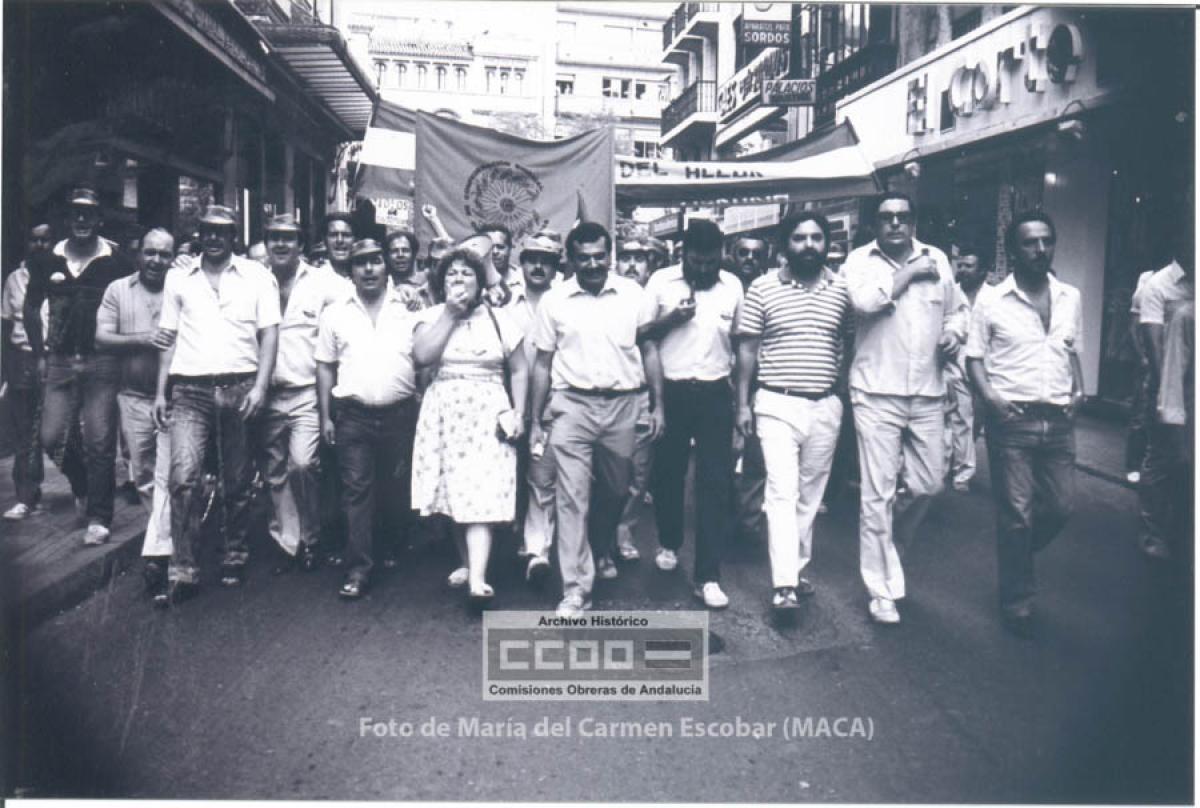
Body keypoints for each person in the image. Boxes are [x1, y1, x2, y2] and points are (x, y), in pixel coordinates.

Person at [843, 192, 967, 625]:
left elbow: (958, 311)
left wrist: (953, 333)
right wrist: (910, 273)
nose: (895, 223)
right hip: (875, 391)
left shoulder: (939, 259)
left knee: (929, 485)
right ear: (874, 224)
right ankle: (880, 590)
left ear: (914, 222)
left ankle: (887, 550)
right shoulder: (859, 261)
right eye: (886, 217)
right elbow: (864, 304)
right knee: (876, 494)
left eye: (903, 216)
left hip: (928, 391)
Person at [528, 222, 664, 618]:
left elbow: (650, 351)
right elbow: (542, 363)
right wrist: (535, 419)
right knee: (572, 498)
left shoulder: (634, 295)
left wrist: (658, 406)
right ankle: (576, 590)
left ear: (610, 256)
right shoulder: (554, 300)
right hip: (572, 405)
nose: (592, 265)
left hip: (624, 406)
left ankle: (599, 547)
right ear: (570, 260)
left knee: (617, 490)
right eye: (583, 258)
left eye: (599, 257)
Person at [153, 204, 280, 603]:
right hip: (189, 390)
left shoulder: (257, 276)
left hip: (239, 386)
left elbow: (270, 334)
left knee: (237, 479)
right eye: (207, 230)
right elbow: (168, 338)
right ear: (200, 233)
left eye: (221, 231)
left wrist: (260, 387)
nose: (213, 237)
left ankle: (234, 553)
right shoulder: (178, 277)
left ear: (232, 237)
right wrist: (160, 391)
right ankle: (183, 568)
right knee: (183, 475)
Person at [967, 211, 1084, 637]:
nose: (1040, 249)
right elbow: (974, 359)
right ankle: (1017, 599)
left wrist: (1079, 391)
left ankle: (1015, 555)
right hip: (1012, 422)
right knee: (1017, 515)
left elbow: (1071, 349)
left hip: (1058, 420)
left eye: (1046, 241)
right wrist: (992, 400)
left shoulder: (1070, 296)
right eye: (1030, 243)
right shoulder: (991, 300)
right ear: (1013, 251)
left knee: (1061, 507)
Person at [734, 213, 852, 610]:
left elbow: (849, 340)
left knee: (809, 496)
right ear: (786, 244)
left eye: (817, 237)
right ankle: (784, 584)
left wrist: (840, 389)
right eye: (800, 238)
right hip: (776, 402)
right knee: (782, 492)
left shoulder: (842, 290)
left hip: (824, 405)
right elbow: (747, 349)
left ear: (827, 244)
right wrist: (742, 404)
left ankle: (796, 569)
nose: (809, 245)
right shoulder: (764, 288)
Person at [411, 249, 529, 605]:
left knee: (481, 492)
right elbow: (422, 357)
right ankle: (467, 563)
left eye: (467, 273)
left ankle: (477, 579)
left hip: (487, 413)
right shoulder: (430, 317)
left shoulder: (500, 319)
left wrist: (519, 412)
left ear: (480, 282)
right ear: (440, 282)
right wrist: (450, 313)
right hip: (445, 414)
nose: (459, 278)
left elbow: (519, 369)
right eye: (451, 273)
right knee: (455, 490)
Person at [640, 220, 743, 609]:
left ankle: (708, 576)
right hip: (671, 389)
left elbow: (741, 343)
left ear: (721, 255)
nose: (703, 269)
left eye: (710, 262)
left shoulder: (732, 286)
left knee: (714, 483)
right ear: (683, 255)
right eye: (696, 262)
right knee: (668, 475)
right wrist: (671, 319)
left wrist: (742, 403)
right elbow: (641, 334)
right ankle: (669, 540)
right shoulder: (661, 282)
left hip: (716, 392)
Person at [25, 186, 133, 545]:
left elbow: (135, 296)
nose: (82, 219)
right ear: (68, 218)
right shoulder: (48, 259)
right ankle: (83, 484)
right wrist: (39, 354)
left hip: (102, 361)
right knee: (50, 436)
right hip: (59, 360)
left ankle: (99, 517)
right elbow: (31, 307)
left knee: (99, 440)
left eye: (89, 213)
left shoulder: (117, 260)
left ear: (99, 219)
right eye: (76, 213)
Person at [316, 239, 420, 599]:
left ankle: (390, 547)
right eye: (361, 263)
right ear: (351, 271)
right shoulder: (334, 314)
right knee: (356, 491)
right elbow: (325, 367)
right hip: (353, 416)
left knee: (394, 489)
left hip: (401, 413)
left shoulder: (409, 307)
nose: (370, 269)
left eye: (376, 260)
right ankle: (358, 569)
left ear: (386, 266)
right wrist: (326, 416)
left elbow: (425, 357)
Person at [259, 213, 347, 574]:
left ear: (301, 245)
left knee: (303, 464)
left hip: (306, 392)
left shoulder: (323, 282)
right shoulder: (253, 279)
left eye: (289, 238)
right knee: (273, 471)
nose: (281, 244)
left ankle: (311, 535)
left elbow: (356, 304)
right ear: (266, 243)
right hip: (265, 393)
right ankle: (288, 540)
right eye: (275, 237)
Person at [95, 227, 174, 596]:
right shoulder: (117, 290)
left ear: (173, 258)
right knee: (143, 474)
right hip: (132, 397)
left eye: (164, 254)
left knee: (171, 475)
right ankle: (165, 539)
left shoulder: (182, 288)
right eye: (150, 252)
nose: (156, 260)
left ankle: (162, 552)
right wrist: (143, 338)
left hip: (175, 398)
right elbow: (101, 338)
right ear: (139, 253)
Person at [1136, 228, 1194, 562]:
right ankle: (1153, 532)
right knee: (1162, 458)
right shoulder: (1158, 286)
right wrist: (1166, 392)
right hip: (1167, 384)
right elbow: (1154, 342)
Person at [507, 235, 562, 582]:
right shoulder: (504, 303)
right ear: (522, 262)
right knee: (509, 474)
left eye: (547, 260)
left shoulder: (564, 303)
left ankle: (538, 551)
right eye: (532, 259)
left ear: (556, 266)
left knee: (542, 477)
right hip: (508, 403)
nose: (538, 266)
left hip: (550, 404)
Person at [606, 237, 657, 572]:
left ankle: (624, 534)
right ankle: (600, 540)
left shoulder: (654, 296)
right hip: (607, 396)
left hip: (642, 393)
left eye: (639, 258)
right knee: (607, 475)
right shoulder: (605, 295)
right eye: (626, 257)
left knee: (638, 472)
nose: (632, 265)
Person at [2, 224, 54, 520]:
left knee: (58, 430)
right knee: (25, 432)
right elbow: (7, 323)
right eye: (34, 239)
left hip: (57, 358)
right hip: (23, 358)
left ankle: (83, 491)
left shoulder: (62, 275)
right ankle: (26, 496)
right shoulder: (14, 279)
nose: (39, 245)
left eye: (45, 240)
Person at [727, 233, 772, 542]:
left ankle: (749, 521)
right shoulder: (724, 290)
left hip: (761, 384)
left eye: (757, 254)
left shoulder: (771, 290)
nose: (750, 259)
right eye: (744, 253)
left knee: (756, 457)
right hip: (723, 383)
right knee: (724, 455)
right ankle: (724, 512)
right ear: (733, 255)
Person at [943, 243, 988, 492]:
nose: (963, 270)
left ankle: (958, 461)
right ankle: (962, 473)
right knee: (960, 419)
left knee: (978, 421)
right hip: (956, 366)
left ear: (982, 271)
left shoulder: (994, 297)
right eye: (960, 265)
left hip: (986, 369)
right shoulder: (951, 293)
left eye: (969, 266)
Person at [1125, 267, 1157, 484]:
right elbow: (1133, 325)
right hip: (1149, 360)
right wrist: (1142, 358)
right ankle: (1134, 465)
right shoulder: (1148, 279)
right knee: (1141, 413)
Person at [385, 230, 432, 312]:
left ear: (414, 254)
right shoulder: (383, 283)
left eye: (405, 250)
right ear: (387, 256)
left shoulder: (428, 278)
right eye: (394, 251)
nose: (400, 255)